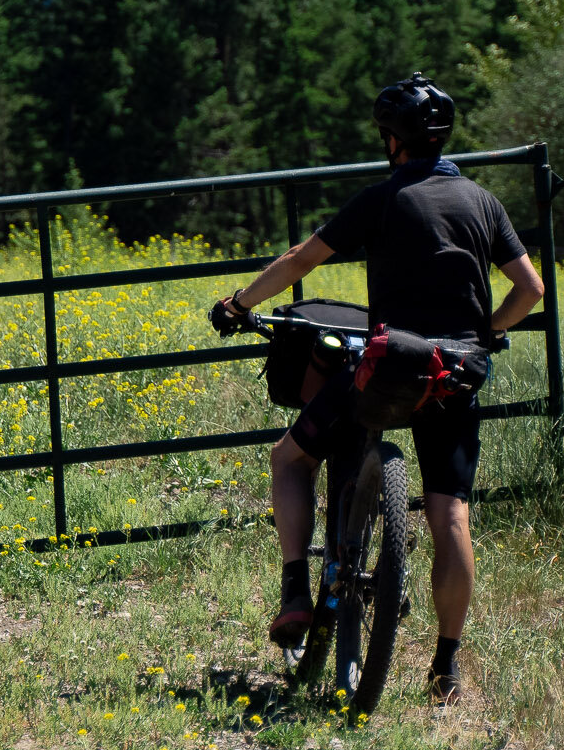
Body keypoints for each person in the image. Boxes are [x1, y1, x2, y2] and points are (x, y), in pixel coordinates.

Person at [209, 73, 545, 704]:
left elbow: (302, 260)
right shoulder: (482, 202)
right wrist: (486, 332)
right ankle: (445, 666)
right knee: (450, 516)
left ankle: (295, 591)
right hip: (455, 372)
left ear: (393, 141)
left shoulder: (382, 199)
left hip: (389, 366)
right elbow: (531, 290)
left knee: (290, 458)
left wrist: (238, 302)